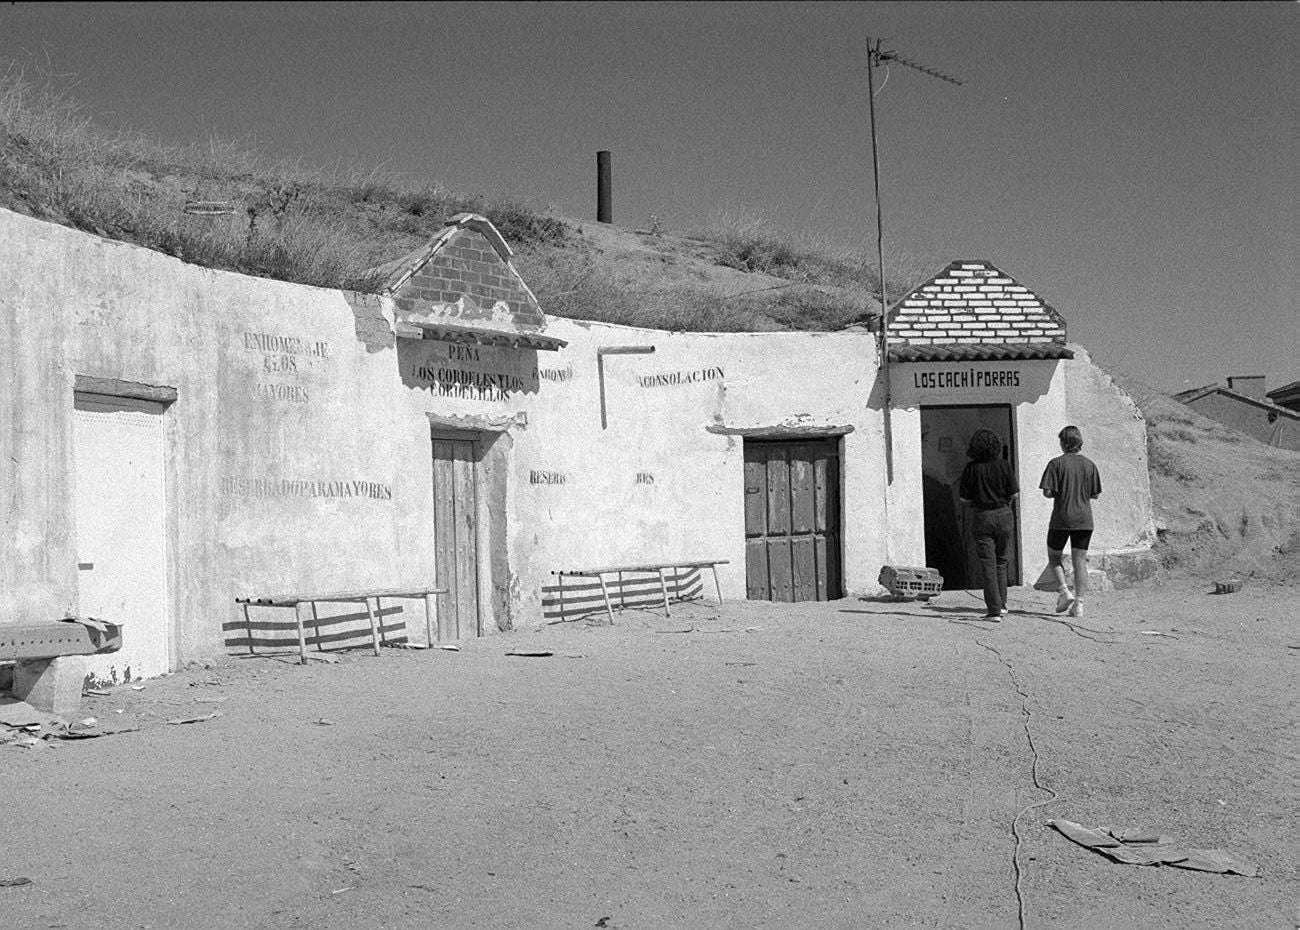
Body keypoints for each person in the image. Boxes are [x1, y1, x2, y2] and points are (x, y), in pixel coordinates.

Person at [1039, 425, 1102, 618]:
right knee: (1080, 561)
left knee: (1054, 557)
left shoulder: (1055, 464)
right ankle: (1079, 603)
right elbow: (1095, 494)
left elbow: (1047, 492)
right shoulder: (1090, 465)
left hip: (1061, 519)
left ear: (1064, 443)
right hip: (1084, 519)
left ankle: (1064, 591)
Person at [959, 428, 1019, 621]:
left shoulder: (971, 469)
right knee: (1002, 560)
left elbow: (964, 498)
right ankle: (1002, 604)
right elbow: (1015, 493)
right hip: (1004, 514)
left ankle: (993, 610)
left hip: (982, 516)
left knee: (988, 564)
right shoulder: (1004, 466)